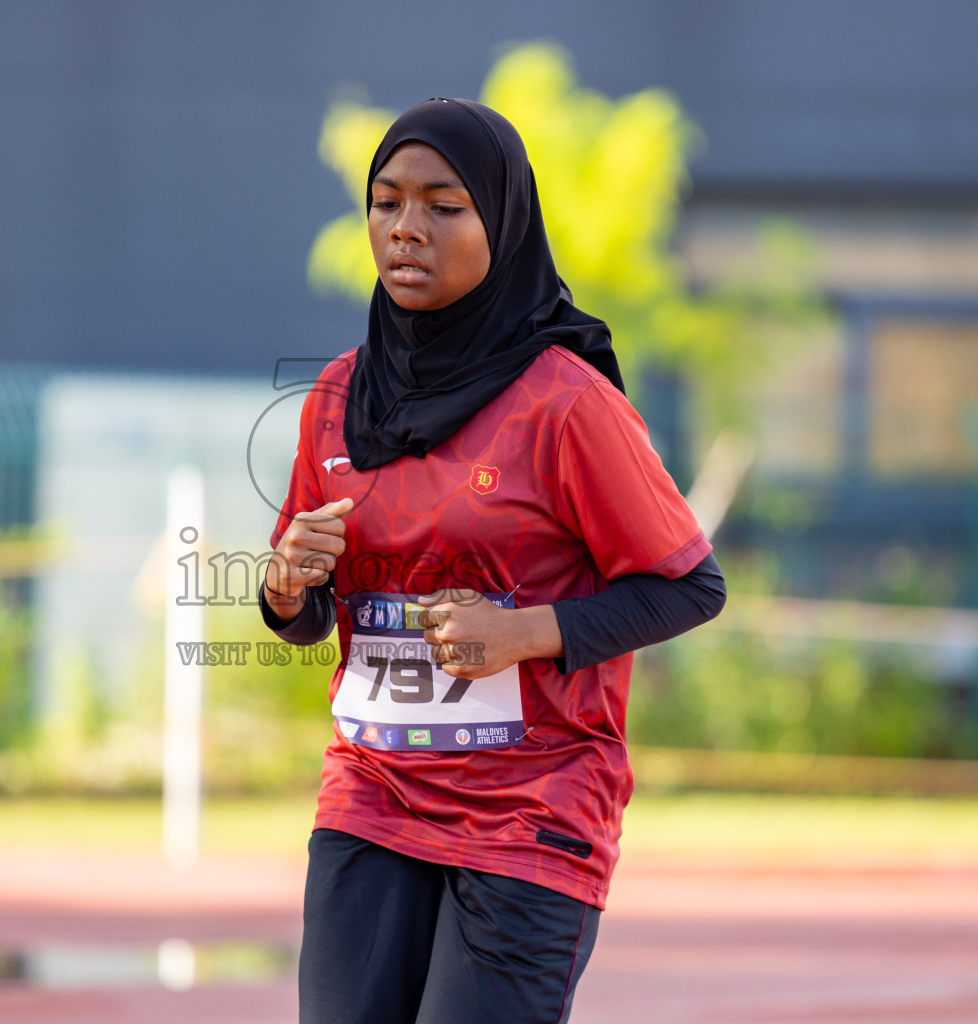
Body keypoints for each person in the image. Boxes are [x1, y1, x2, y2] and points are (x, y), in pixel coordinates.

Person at [259, 97, 726, 1024]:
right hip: (373, 792)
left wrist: (521, 633)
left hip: (529, 809)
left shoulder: (565, 402)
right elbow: (312, 612)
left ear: (503, 224)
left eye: (444, 205)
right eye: (387, 202)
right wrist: (284, 584)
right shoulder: (337, 396)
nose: (407, 229)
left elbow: (690, 584)